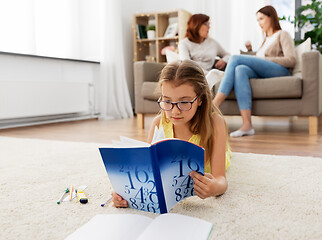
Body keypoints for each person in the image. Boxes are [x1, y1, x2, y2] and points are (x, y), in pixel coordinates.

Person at [112, 60, 231, 207]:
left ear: (199, 99)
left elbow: (220, 179)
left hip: (215, 153)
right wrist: (124, 194)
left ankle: (209, 81)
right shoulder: (158, 123)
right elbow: (149, 172)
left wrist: (214, 188)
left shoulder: (215, 123)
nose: (175, 111)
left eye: (184, 102)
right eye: (167, 101)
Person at [213, 5, 297, 137]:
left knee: (234, 58)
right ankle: (247, 125)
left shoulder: (282, 34)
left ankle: (215, 104)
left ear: (272, 18)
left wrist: (267, 59)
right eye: (257, 20)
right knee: (240, 70)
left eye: (262, 19)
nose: (259, 23)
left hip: (280, 70)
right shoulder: (265, 40)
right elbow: (259, 60)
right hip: (265, 70)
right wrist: (251, 51)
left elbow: (291, 59)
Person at [178, 14, 230, 88]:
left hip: (209, 76)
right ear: (196, 25)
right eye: (206, 24)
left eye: (209, 24)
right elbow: (186, 64)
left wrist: (224, 60)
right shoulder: (184, 43)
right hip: (192, 75)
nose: (209, 27)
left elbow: (228, 55)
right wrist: (208, 74)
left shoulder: (213, 43)